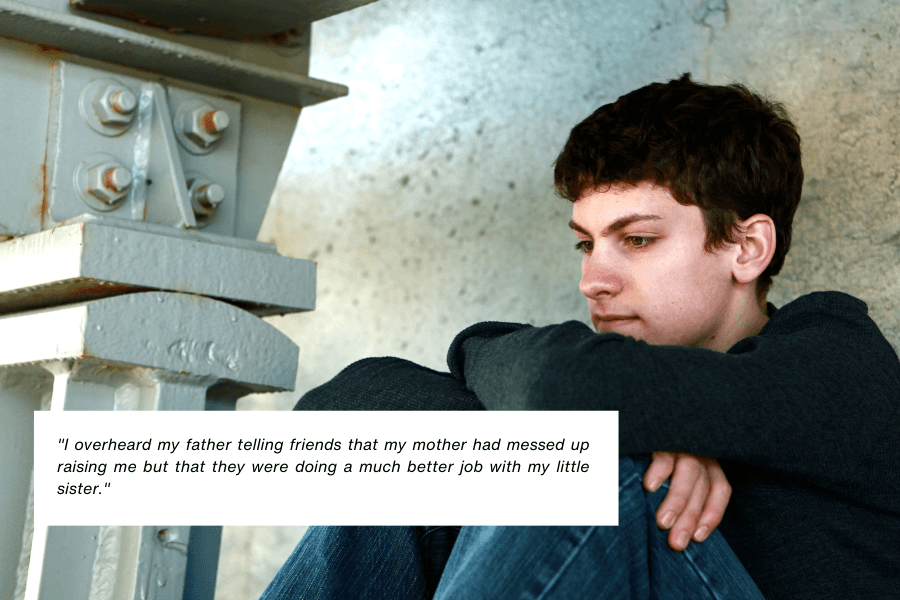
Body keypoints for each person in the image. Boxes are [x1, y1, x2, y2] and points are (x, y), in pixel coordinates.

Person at [261, 74, 900, 600]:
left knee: (586, 470)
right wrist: (645, 426)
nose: (594, 280)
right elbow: (326, 420)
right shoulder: (613, 381)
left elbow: (559, 384)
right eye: (585, 244)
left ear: (747, 246)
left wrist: (613, 427)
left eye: (638, 240)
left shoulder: (836, 358)